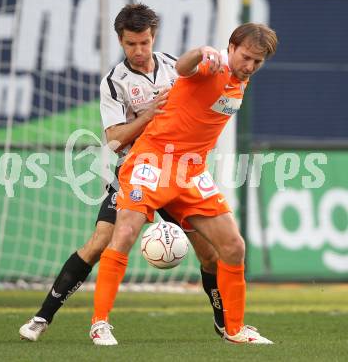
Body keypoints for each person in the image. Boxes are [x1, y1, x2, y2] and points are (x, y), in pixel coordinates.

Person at [19, 3, 225, 342]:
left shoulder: (176, 67)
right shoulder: (115, 83)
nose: (139, 51)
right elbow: (113, 139)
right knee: (101, 241)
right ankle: (42, 317)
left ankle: (224, 322)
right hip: (135, 171)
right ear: (120, 41)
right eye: (131, 44)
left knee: (209, 251)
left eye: (144, 42)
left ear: (153, 37)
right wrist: (148, 115)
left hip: (176, 170)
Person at [89, 22, 278, 346]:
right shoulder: (212, 65)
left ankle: (234, 329)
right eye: (245, 57)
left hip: (190, 172)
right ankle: (100, 324)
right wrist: (201, 52)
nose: (249, 66)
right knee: (124, 234)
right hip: (152, 160)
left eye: (257, 62)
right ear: (230, 48)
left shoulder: (239, 80)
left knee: (233, 247)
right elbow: (182, 67)